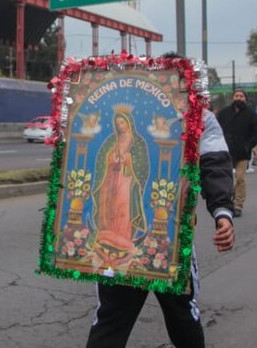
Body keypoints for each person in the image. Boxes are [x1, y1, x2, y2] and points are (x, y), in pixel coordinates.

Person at [85, 85, 235, 348]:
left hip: (170, 237)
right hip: (116, 230)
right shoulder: (110, 111)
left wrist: (222, 211)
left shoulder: (199, 117)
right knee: (112, 317)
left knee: (182, 316)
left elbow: (214, 163)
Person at [91, 110, 150, 260]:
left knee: (122, 206)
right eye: (118, 124)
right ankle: (107, 236)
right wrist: (111, 157)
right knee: (108, 206)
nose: (120, 126)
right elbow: (102, 157)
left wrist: (129, 159)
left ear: (129, 122)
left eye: (122, 123)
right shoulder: (112, 140)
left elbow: (143, 164)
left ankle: (123, 239)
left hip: (127, 180)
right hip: (110, 179)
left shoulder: (138, 142)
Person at [216, 89, 257, 217]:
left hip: (242, 152)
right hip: (226, 151)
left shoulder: (251, 115)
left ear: (245, 99)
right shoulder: (223, 113)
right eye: (236, 96)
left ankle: (238, 205)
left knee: (240, 179)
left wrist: (248, 145)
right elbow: (215, 129)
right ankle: (226, 202)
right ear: (233, 98)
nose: (239, 98)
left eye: (241, 96)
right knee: (225, 179)